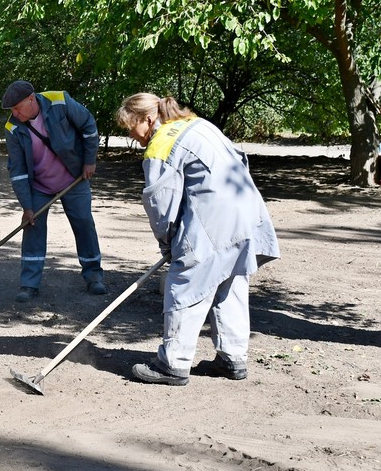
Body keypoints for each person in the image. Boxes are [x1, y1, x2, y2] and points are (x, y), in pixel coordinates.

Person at [116, 93, 279, 386]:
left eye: (130, 126)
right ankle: (233, 358)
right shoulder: (197, 123)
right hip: (245, 210)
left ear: (148, 119)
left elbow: (160, 204)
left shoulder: (161, 144)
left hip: (213, 219)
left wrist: (168, 244)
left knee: (185, 283)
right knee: (231, 280)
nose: (130, 134)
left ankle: (173, 364)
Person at [2, 79, 107, 303]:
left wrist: (90, 161)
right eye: (12, 110)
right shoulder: (12, 128)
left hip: (74, 178)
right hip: (39, 185)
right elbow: (18, 171)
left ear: (31, 99)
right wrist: (27, 206)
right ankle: (29, 284)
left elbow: (88, 126)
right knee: (33, 227)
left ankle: (94, 276)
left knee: (83, 223)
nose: (14, 113)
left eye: (17, 108)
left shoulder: (60, 101)